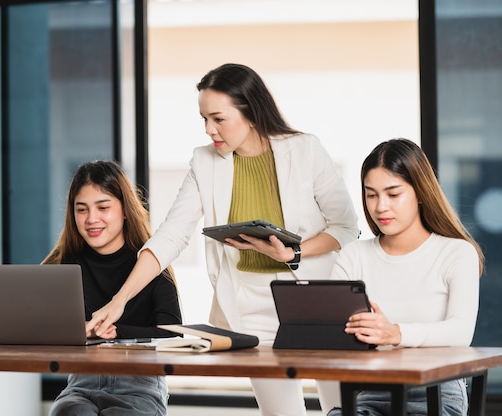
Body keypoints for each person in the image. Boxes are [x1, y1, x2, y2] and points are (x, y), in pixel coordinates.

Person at [88, 63, 360, 416]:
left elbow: (345, 227)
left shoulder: (305, 150)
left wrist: (293, 252)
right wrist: (120, 299)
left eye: (218, 119)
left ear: (250, 111)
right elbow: (172, 234)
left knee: (341, 408)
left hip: (313, 300)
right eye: (204, 119)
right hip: (250, 307)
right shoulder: (204, 162)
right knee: (281, 413)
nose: (209, 130)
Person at [328, 138, 484, 416]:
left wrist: (395, 333)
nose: (380, 207)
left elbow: (461, 333)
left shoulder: (457, 253)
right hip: (370, 390)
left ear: (421, 193)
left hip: (436, 392)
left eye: (393, 194)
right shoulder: (353, 255)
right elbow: (332, 330)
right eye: (371, 194)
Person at [42, 160, 182, 416]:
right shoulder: (62, 265)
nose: (91, 219)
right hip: (81, 385)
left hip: (141, 387)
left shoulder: (150, 265)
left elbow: (173, 336)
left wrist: (116, 331)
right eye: (81, 209)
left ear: (125, 210)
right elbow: (42, 326)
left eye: (103, 207)